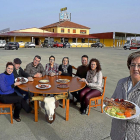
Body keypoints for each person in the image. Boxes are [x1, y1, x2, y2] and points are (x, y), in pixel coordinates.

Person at [110, 52, 140, 140]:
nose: (135, 68)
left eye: (139, 65)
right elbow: (114, 98)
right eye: (133, 65)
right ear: (129, 66)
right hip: (117, 132)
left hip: (134, 135)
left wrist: (127, 114)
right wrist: (112, 102)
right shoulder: (121, 82)